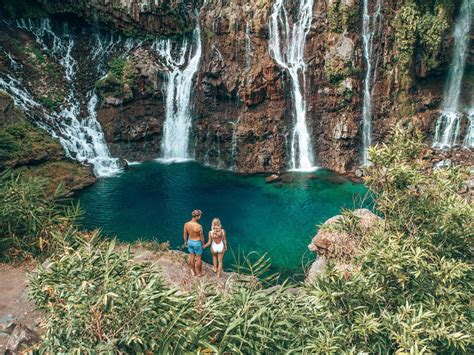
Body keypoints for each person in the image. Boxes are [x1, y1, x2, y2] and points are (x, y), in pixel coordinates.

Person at [183, 210, 205, 276]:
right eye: (200, 216)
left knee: (191, 256)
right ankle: (199, 273)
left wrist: (185, 241)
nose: (200, 217)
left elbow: (184, 234)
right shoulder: (199, 226)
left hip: (190, 241)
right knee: (198, 258)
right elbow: (202, 236)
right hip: (197, 243)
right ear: (197, 217)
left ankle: (193, 271)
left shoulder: (186, 224)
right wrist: (203, 244)